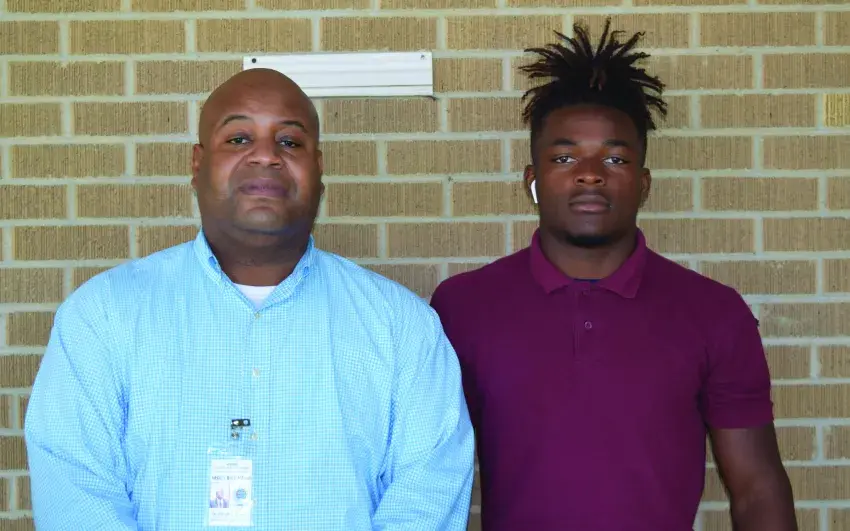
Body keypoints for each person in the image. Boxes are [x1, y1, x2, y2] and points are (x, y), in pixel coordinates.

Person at [24, 68, 475, 530]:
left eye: (289, 142)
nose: (265, 155)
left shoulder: (402, 328)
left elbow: (427, 499)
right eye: (239, 139)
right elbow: (78, 498)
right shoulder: (103, 317)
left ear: (319, 170)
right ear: (198, 164)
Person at [429, 20, 797, 531]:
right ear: (532, 181)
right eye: (564, 156)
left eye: (615, 157)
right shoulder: (464, 307)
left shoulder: (713, 313)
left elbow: (757, 489)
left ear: (643, 184)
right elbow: (423, 475)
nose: (590, 172)